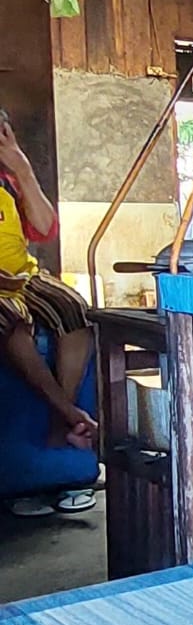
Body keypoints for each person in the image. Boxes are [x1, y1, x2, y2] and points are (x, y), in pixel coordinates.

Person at [0, 113, 97, 451]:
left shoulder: (9, 180)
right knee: (14, 321)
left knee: (75, 310)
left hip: (22, 275)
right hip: (3, 293)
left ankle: (61, 429)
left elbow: (43, 228)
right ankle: (70, 413)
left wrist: (22, 169)